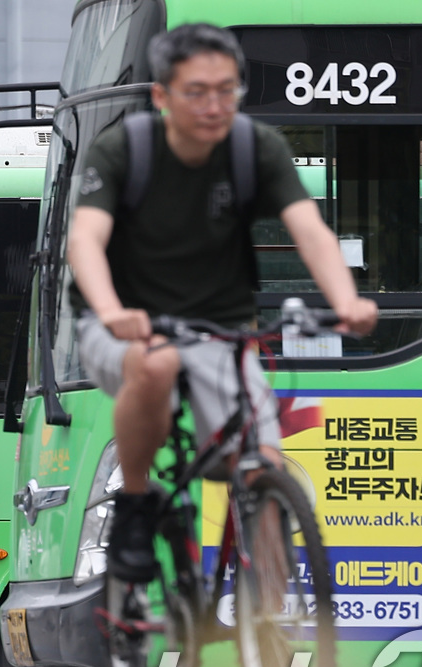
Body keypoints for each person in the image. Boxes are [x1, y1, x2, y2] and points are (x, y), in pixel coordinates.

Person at [66, 23, 379, 582]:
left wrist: (346, 299)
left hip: (215, 325)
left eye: (227, 91)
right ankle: (136, 502)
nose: (215, 106)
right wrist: (113, 310)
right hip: (119, 321)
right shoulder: (126, 150)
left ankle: (268, 605)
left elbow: (310, 232)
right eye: (197, 92)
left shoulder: (254, 148)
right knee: (156, 362)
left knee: (261, 459)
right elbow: (85, 239)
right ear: (161, 96)